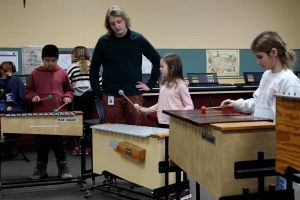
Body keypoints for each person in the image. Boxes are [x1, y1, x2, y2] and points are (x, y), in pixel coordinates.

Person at [220, 31, 300, 190]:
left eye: (260, 56)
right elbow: (257, 102)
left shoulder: (290, 81)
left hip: (277, 145)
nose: (257, 62)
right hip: (260, 139)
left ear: (274, 53)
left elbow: (291, 124)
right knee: (260, 186)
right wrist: (236, 103)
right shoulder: (266, 76)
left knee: (277, 188)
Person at [89, 5, 161, 125]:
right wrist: (98, 92)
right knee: (112, 132)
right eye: (112, 23)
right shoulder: (103, 41)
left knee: (136, 131)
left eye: (119, 22)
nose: (116, 26)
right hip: (110, 95)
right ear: (109, 25)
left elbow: (157, 59)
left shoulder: (138, 39)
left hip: (133, 95)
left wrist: (150, 84)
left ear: (125, 21)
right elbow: (94, 68)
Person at [138, 53, 194, 199]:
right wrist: (147, 109)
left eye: (162, 66)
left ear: (172, 67)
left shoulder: (180, 85)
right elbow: (160, 103)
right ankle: (166, 187)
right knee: (163, 157)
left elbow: (190, 106)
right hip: (161, 124)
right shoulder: (163, 83)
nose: (160, 69)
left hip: (175, 126)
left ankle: (184, 190)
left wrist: (175, 112)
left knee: (176, 158)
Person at [26, 44, 74, 179]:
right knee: (42, 142)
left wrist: (67, 97)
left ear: (57, 59)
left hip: (58, 114)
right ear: (42, 59)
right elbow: (28, 90)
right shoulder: (35, 73)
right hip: (41, 114)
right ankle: (41, 169)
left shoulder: (63, 73)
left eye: (53, 60)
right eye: (47, 60)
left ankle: (63, 168)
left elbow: (69, 90)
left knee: (58, 142)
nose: (50, 63)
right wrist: (32, 96)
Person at [67, 46, 94, 156]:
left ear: (74, 55)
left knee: (77, 121)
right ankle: (87, 147)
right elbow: (99, 82)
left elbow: (66, 82)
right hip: (90, 96)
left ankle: (78, 146)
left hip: (77, 97)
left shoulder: (72, 67)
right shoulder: (92, 66)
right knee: (87, 121)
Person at [0, 61, 26, 158]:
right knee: (14, 131)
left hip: (1, 113)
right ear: (13, 70)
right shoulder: (18, 81)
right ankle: (12, 149)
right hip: (15, 113)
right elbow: (22, 98)